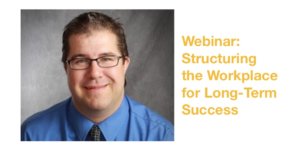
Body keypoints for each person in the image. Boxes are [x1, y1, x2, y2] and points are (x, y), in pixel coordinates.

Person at [21, 11, 174, 141]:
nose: (94, 73)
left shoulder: (163, 136)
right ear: (66, 68)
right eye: (80, 61)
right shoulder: (32, 135)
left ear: (125, 64)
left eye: (106, 59)